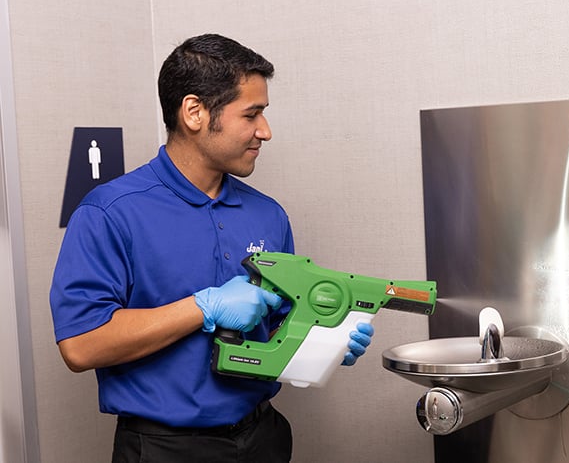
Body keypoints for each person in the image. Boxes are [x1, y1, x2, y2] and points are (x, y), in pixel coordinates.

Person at [49, 33, 374, 463]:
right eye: (251, 114)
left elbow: (278, 330)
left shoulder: (268, 214)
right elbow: (81, 344)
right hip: (164, 449)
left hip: (263, 438)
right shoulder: (110, 213)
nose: (265, 131)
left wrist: (324, 341)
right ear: (195, 112)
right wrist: (204, 307)